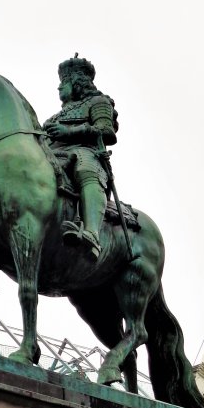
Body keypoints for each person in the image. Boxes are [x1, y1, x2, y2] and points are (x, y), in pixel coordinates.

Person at [43, 54, 118, 260]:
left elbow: (106, 131)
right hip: (51, 155)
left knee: (86, 170)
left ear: (76, 83)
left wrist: (68, 133)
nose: (59, 88)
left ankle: (92, 233)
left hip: (84, 152)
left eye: (63, 83)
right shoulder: (53, 117)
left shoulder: (98, 102)